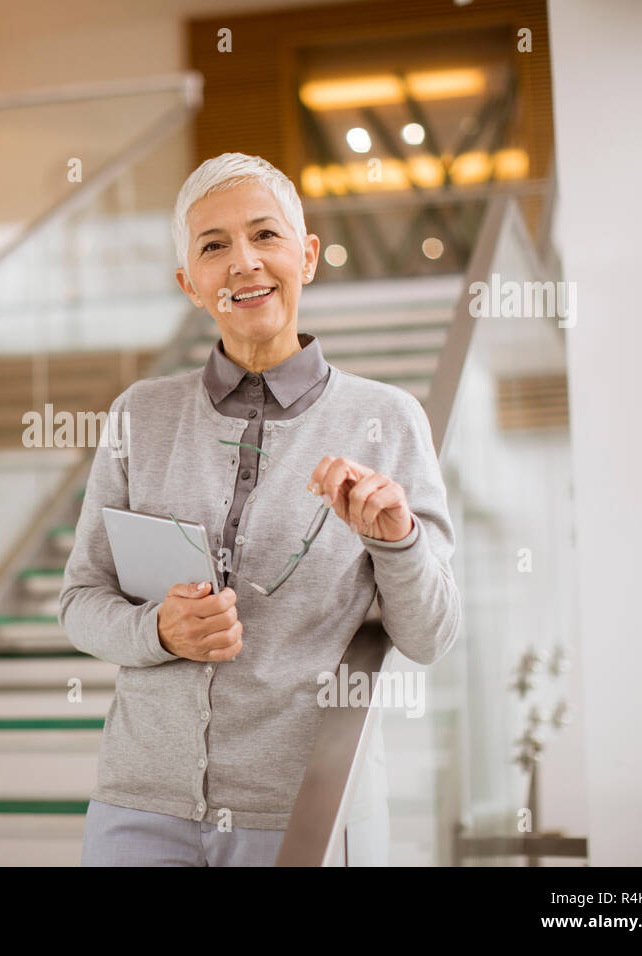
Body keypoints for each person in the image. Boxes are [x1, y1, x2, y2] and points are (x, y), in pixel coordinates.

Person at [58, 152, 462, 866]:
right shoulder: (139, 416)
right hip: (139, 812)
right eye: (214, 246)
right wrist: (159, 629)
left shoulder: (388, 420)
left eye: (265, 236)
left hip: (308, 814)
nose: (243, 262)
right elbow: (80, 602)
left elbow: (432, 636)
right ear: (190, 283)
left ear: (305, 256)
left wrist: (396, 541)